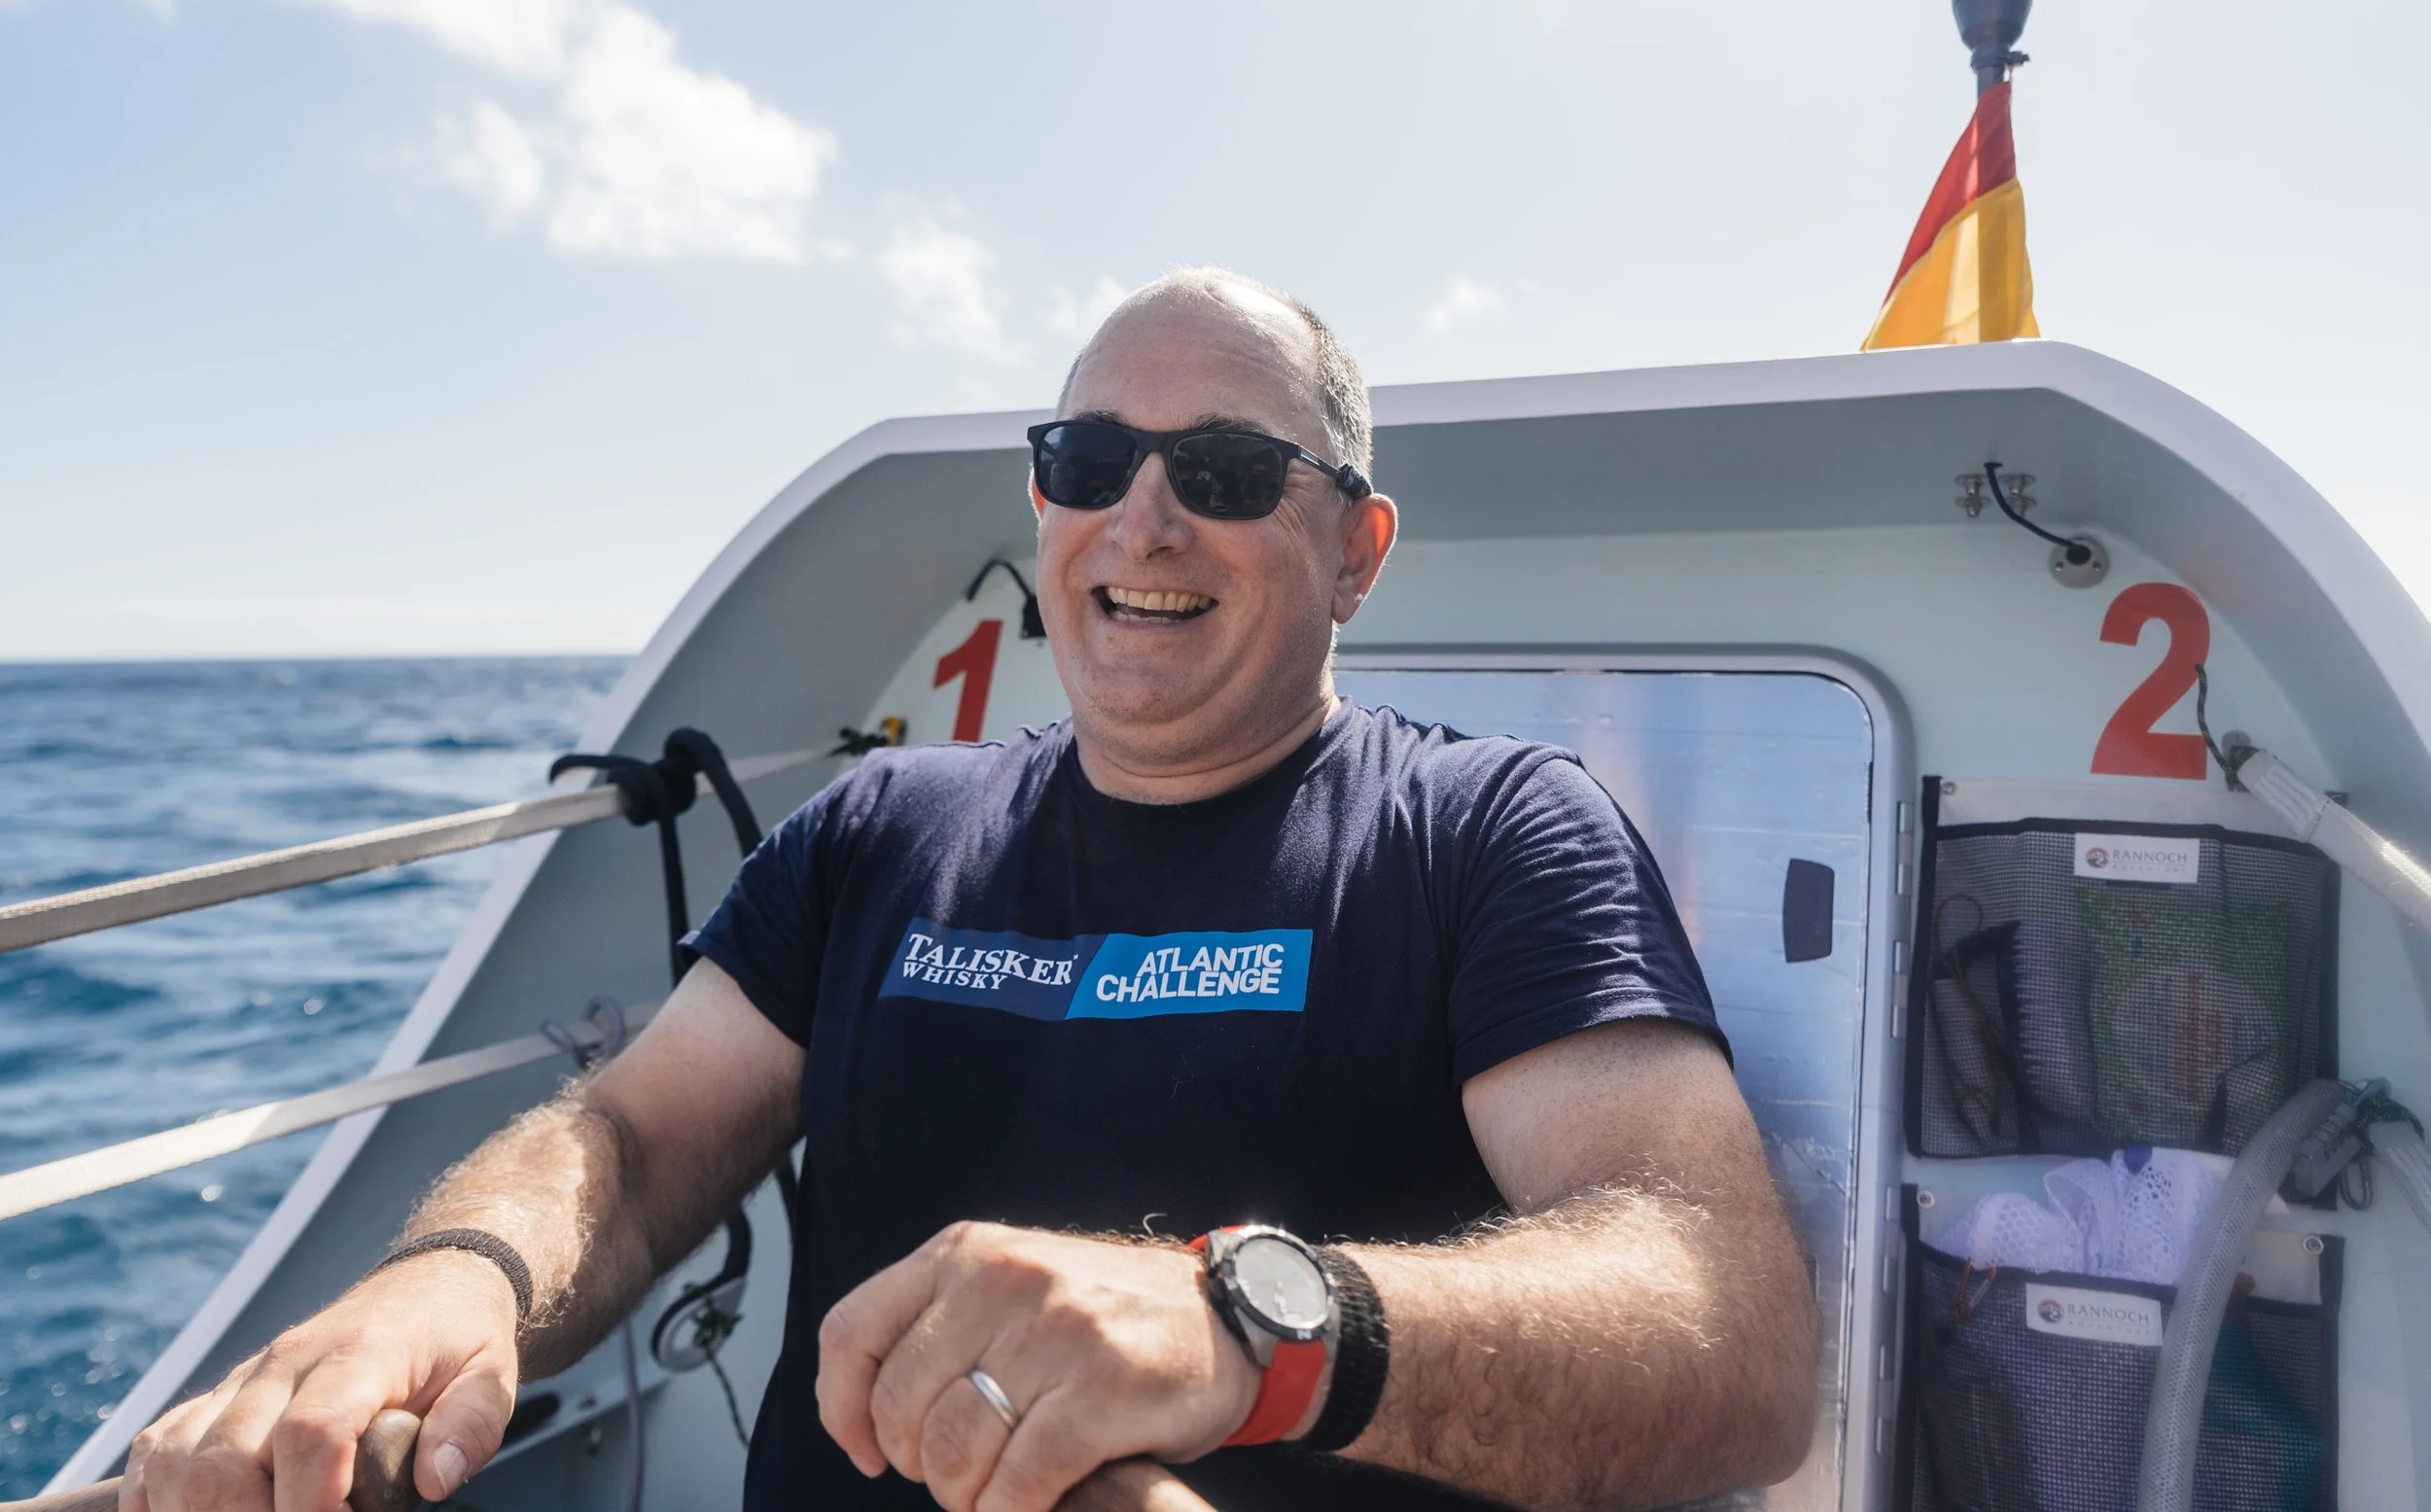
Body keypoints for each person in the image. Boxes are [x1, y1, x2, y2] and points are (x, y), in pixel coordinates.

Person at [123, 269, 1816, 1512]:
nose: (1142, 521)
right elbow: (632, 1143)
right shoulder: (883, 827)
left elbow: (1725, 1332)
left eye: (1224, 473)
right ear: (1045, 505)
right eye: (1090, 461)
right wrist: (465, 1275)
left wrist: (1252, 1325)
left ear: (1357, 551)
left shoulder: (1484, 833)